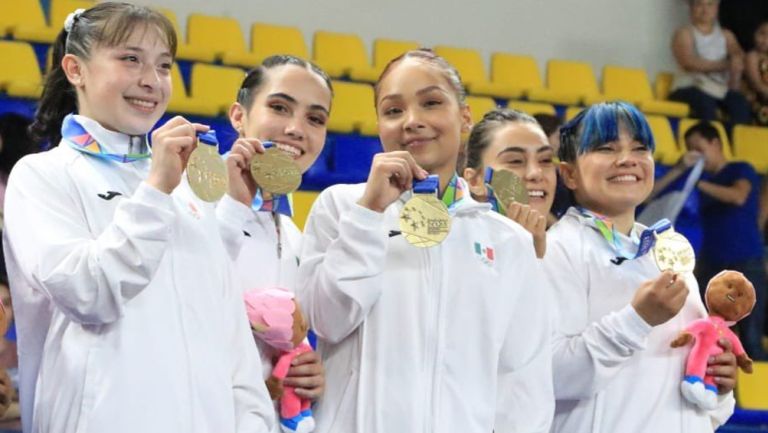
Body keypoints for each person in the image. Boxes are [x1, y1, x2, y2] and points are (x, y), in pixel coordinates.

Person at [2, 4, 274, 432]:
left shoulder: (185, 187)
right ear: (75, 69)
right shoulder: (41, 176)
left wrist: (253, 420)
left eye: (163, 65)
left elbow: (225, 325)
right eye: (130, 59)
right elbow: (89, 292)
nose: (152, 80)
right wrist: (155, 190)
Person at [296, 49, 554, 433]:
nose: (413, 121)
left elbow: (523, 380)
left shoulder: (508, 241)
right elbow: (328, 322)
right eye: (394, 110)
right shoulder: (342, 206)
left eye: (431, 103)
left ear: (464, 116)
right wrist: (368, 214)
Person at [546, 102, 738, 432]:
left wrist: (717, 384)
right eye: (606, 148)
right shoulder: (558, 250)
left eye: (640, 148)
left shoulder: (668, 250)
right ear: (569, 174)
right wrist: (637, 320)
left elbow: (696, 396)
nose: (627, 159)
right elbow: (551, 376)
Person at [227, 55, 333, 429]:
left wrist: (307, 377)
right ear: (239, 115)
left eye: (315, 119)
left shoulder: (292, 235)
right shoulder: (188, 205)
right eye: (279, 107)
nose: (296, 128)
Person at [462, 108, 556, 258]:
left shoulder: (570, 253)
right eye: (515, 161)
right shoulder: (452, 250)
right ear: (474, 181)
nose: (536, 173)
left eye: (545, 160)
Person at [670, 0, 751, 126]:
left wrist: (736, 59)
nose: (705, 9)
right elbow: (689, 62)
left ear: (716, 8)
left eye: (710, 4)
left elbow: (738, 55)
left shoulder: (726, 35)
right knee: (705, 103)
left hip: (718, 89)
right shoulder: (684, 33)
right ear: (691, 7)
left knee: (739, 103)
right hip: (689, 87)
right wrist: (726, 65)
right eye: (699, 4)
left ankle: (732, 143)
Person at [743, 20, 768, 125]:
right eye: (762, 33)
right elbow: (756, 82)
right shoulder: (752, 56)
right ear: (754, 34)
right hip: (758, 99)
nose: (765, 39)